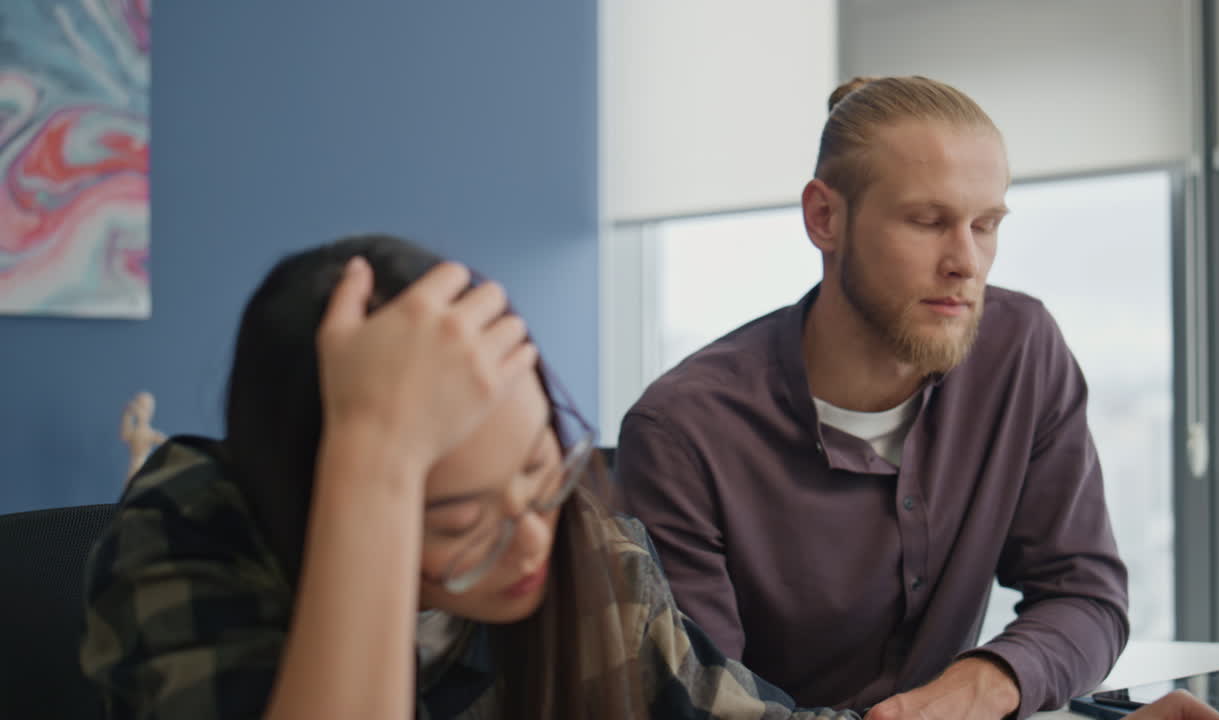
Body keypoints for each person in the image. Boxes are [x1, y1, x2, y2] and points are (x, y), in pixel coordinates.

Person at [80, 234, 871, 720]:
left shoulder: (580, 546)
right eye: (463, 523)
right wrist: (375, 458)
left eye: (542, 470)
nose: (533, 538)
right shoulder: (192, 526)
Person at [617, 75, 1129, 720]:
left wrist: (985, 681)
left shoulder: (1020, 349)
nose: (966, 262)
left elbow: (1085, 594)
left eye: (985, 224)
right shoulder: (682, 431)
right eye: (928, 221)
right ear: (825, 217)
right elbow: (704, 706)